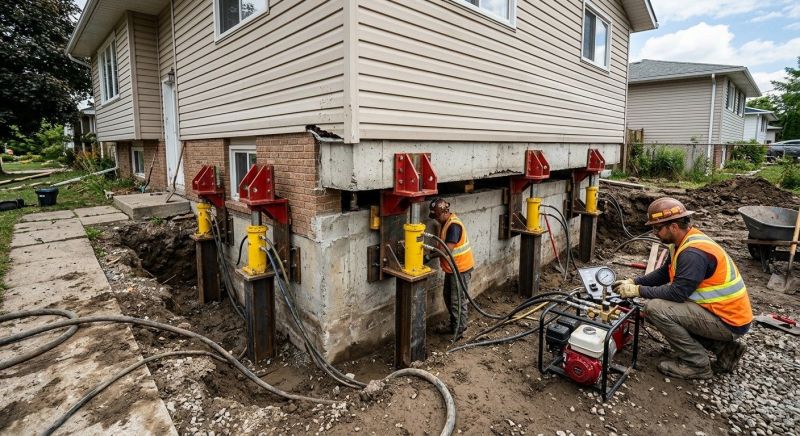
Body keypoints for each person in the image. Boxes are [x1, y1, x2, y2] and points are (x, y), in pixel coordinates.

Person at [613, 197, 752, 379]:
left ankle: (696, 365)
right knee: (659, 311)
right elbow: (664, 273)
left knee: (655, 309)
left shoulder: (693, 253)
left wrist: (637, 291)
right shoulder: (683, 242)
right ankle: (725, 349)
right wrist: (634, 281)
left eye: (657, 228)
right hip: (724, 314)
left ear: (673, 226)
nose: (654, 233)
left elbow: (677, 293)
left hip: (728, 321)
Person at [427, 197, 474, 336]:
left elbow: (448, 249)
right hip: (453, 269)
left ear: (443, 212)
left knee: (457, 301)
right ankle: (455, 325)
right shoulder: (446, 223)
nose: (435, 219)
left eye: (436, 216)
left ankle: (460, 330)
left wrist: (429, 256)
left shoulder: (453, 226)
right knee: (448, 296)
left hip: (460, 269)